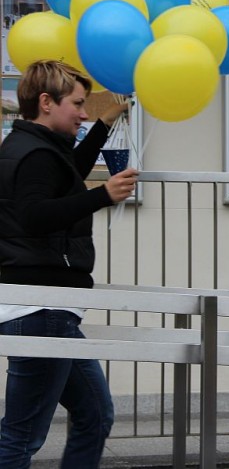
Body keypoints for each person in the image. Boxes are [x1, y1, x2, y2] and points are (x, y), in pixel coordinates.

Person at [0, 60, 138, 468]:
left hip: (48, 309)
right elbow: (35, 216)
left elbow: (67, 178)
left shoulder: (34, 147)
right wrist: (103, 195)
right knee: (22, 436)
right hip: (39, 308)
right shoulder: (35, 154)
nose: (82, 112)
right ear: (46, 102)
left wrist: (103, 124)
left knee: (95, 414)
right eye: (77, 104)